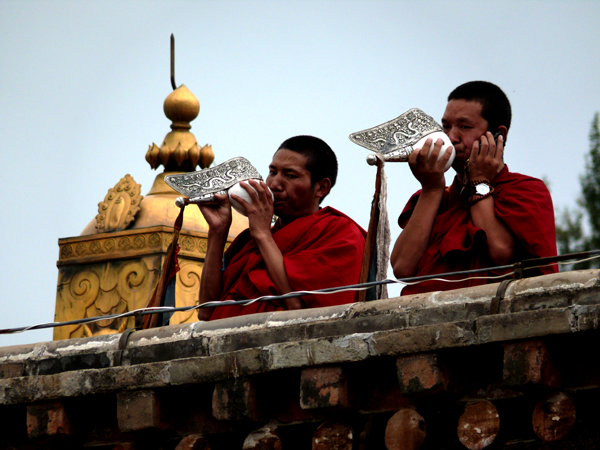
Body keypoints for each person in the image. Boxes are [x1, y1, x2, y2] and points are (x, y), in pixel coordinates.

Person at [391, 81, 557, 295]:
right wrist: (431, 190)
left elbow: (500, 250)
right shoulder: (436, 195)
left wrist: (479, 181)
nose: (451, 138)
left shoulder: (526, 190)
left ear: (499, 135)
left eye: (464, 127)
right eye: (446, 127)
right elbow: (402, 267)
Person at [197, 135, 366, 320]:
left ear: (321, 188)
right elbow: (206, 312)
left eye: (290, 176)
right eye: (273, 172)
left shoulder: (339, 233)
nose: (274, 184)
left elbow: (299, 309)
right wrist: (218, 231)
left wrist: (262, 234)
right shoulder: (249, 240)